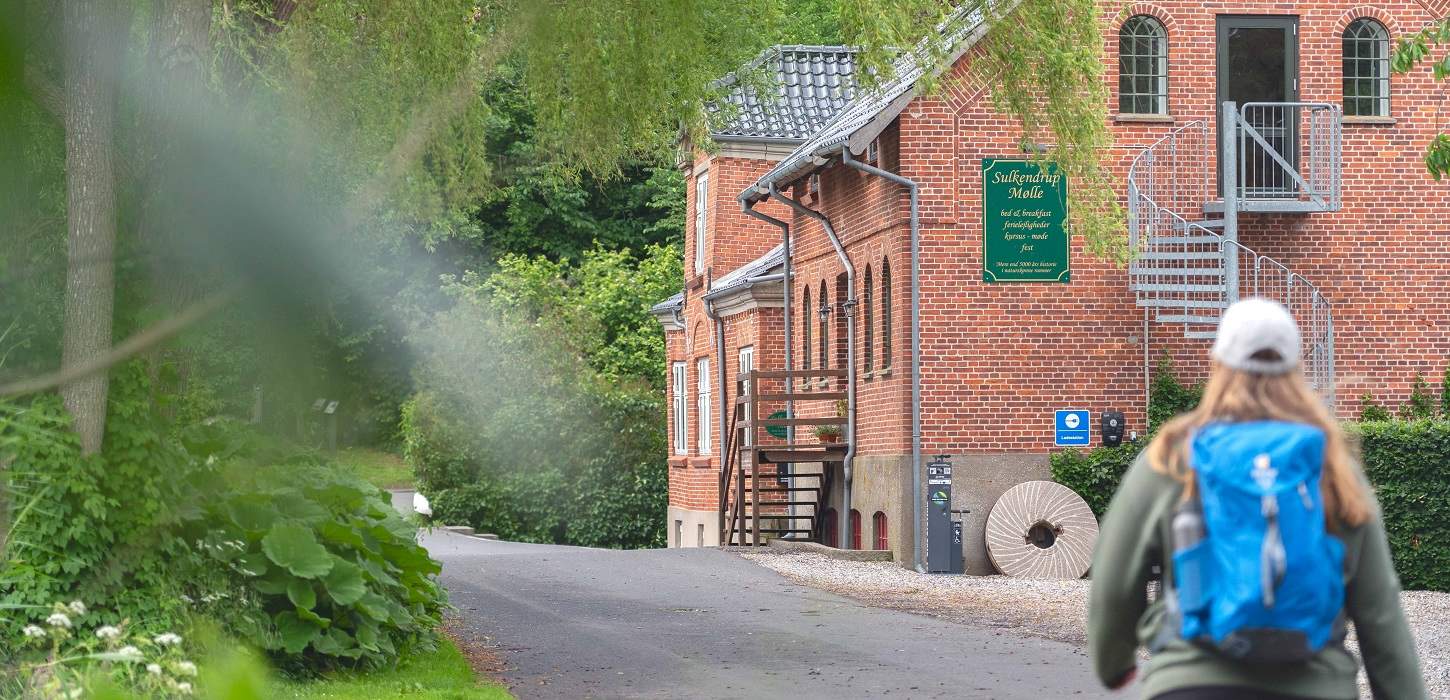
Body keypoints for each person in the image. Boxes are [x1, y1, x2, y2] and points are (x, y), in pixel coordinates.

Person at [1087, 298, 1427, 699]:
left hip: (1191, 683)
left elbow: (1114, 577)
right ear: (1297, 372)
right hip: (1315, 685)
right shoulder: (1332, 466)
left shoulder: (1175, 457)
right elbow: (1379, 612)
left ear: (1217, 367)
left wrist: (1114, 663)